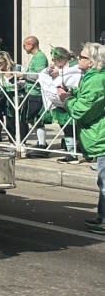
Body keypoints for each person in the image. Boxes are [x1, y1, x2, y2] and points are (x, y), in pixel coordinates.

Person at [52, 43, 105, 234]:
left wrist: (65, 98)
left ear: (91, 62)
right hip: (98, 136)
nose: (78, 59)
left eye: (82, 57)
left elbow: (81, 110)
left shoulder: (97, 79)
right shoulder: (93, 77)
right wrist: (73, 93)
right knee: (103, 180)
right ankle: (101, 216)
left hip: (101, 135)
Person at [21, 36, 49, 154]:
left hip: (36, 93)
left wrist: (23, 75)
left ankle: (41, 144)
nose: (23, 48)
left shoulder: (40, 57)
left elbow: (39, 75)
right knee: (32, 118)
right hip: (31, 92)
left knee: (34, 118)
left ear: (31, 44)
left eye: (24, 45)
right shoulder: (36, 57)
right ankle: (41, 143)